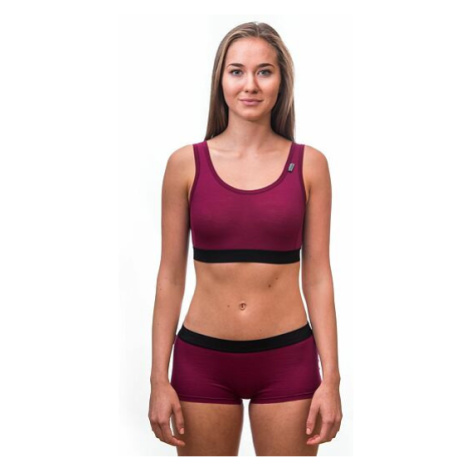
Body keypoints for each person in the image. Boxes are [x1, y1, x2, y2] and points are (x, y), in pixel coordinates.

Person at [148, 21, 343, 456]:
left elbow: (318, 276)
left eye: (264, 71)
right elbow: (170, 277)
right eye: (237, 71)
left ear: (281, 81)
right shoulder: (185, 164)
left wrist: (331, 378)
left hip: (288, 358)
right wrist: (158, 378)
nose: (250, 85)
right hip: (202, 360)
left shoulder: (310, 165)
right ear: (220, 80)